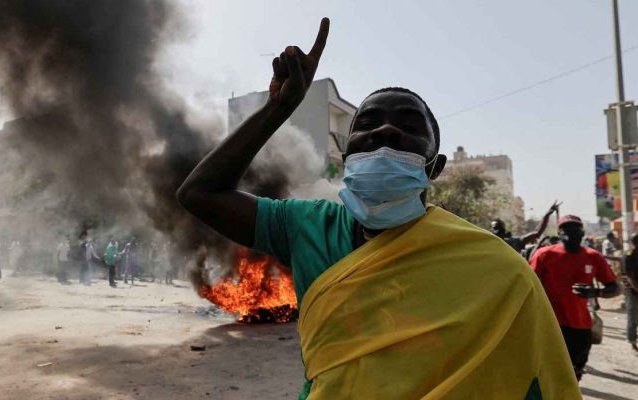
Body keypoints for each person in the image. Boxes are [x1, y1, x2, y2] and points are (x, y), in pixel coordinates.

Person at [176, 18, 578, 399]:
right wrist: (277, 109)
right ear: (346, 155)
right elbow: (200, 193)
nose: (386, 130)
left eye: (409, 125)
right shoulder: (308, 225)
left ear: (434, 167)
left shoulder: (497, 269)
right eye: (368, 123)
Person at [529, 214, 619, 381]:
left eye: (576, 228)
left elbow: (614, 287)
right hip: (550, 324)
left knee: (574, 374)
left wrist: (594, 292)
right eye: (566, 228)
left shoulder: (593, 257)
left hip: (580, 325)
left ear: (582, 232)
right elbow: (527, 285)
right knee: (547, 374)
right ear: (560, 232)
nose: (572, 232)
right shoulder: (544, 255)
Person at [490, 201, 560, 253]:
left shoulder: (514, 242)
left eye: (499, 228)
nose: (497, 231)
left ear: (504, 231)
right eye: (495, 228)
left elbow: (537, 233)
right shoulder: (487, 245)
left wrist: (547, 215)